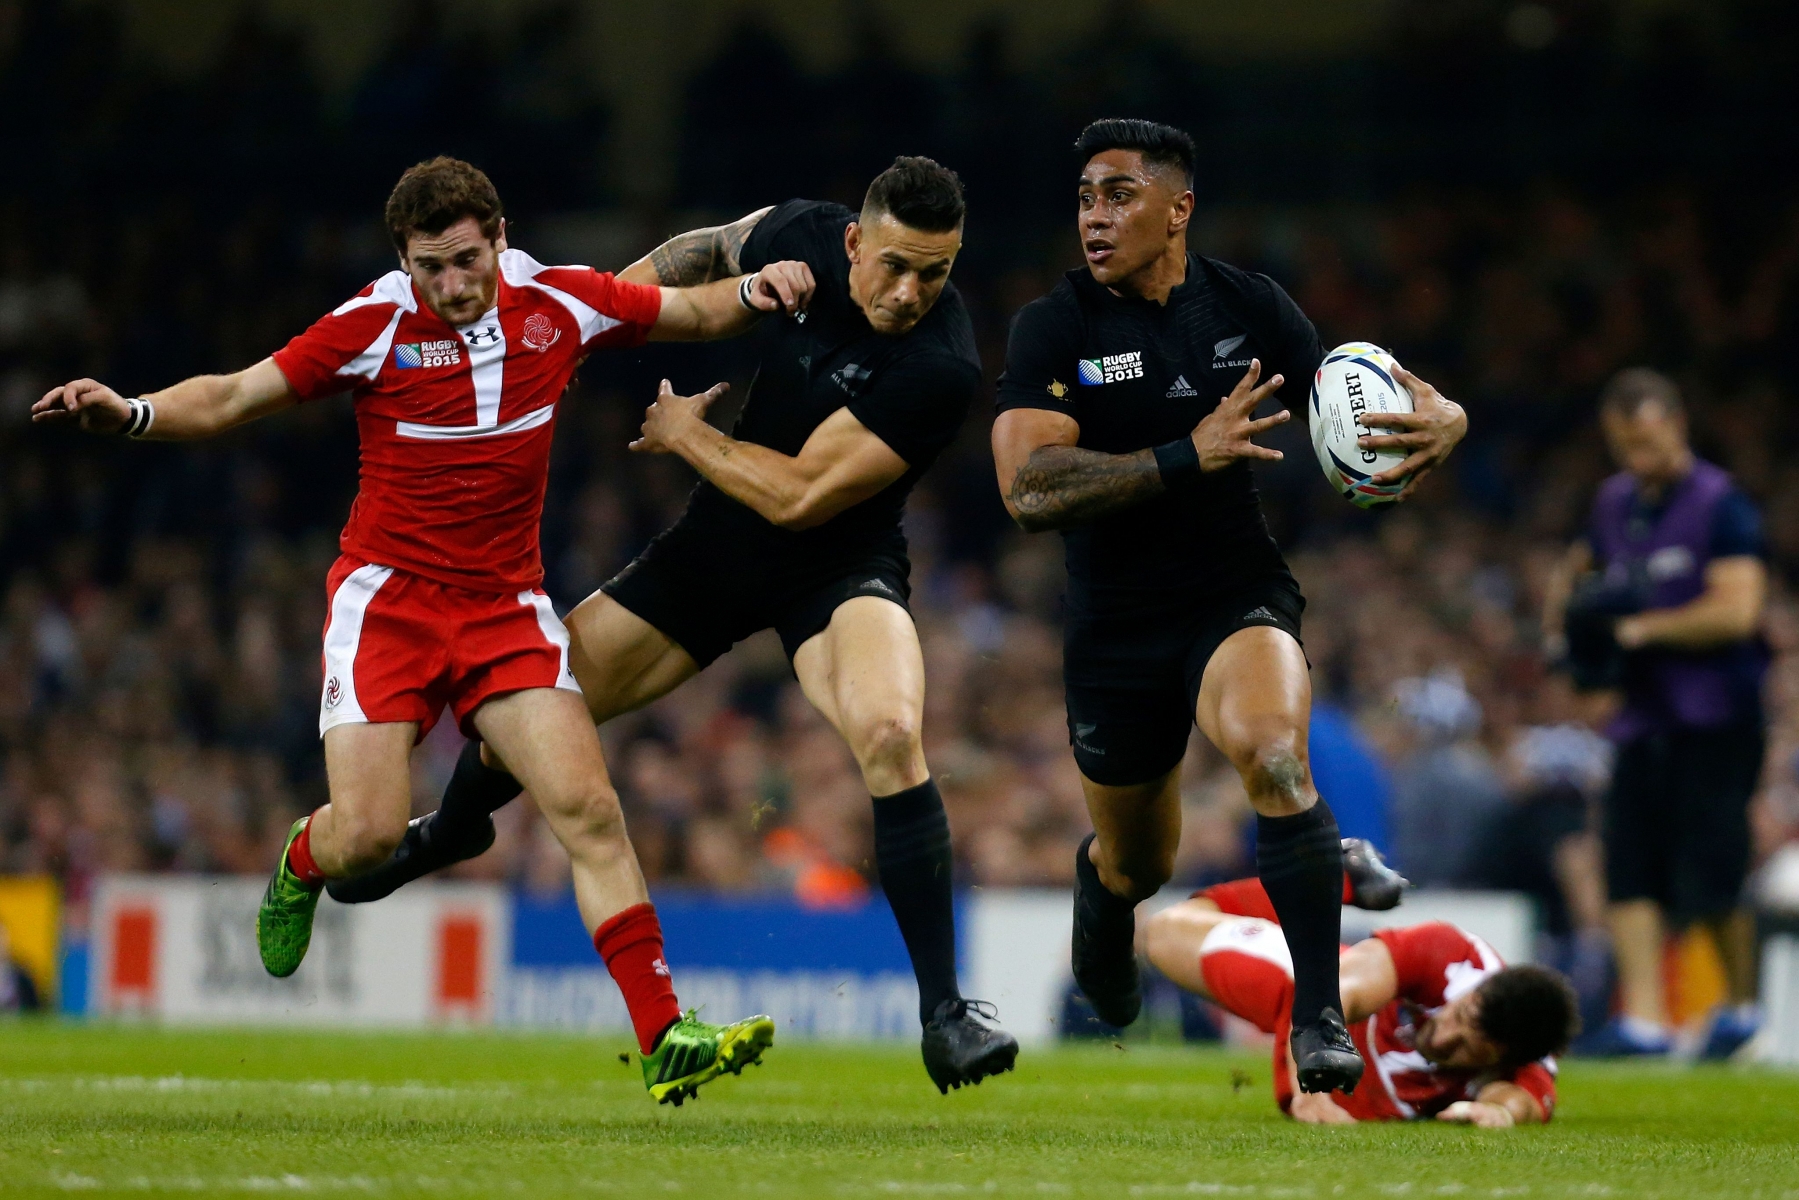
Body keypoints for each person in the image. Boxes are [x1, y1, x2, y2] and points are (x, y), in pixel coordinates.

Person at [31, 156, 817, 1105]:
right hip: (389, 606)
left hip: (503, 609)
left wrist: (760, 287)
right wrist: (134, 413)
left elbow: (695, 312)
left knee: (590, 808)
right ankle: (301, 858)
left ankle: (663, 1035)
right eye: (428, 266)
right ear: (403, 260)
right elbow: (235, 395)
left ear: (498, 238)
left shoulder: (558, 300)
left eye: (464, 260)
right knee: (364, 840)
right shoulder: (370, 324)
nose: (449, 285)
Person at [329, 156, 1021, 1094]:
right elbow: (698, 254)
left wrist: (686, 435)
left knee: (894, 734)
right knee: (533, 700)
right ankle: (448, 832)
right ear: (853, 239)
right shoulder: (800, 231)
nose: (909, 293)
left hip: (836, 567)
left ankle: (944, 1013)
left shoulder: (941, 364)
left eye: (933, 274)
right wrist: (572, 334)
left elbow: (802, 493)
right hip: (710, 556)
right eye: (894, 266)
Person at [990, 119, 1469, 1094]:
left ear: (1177, 209)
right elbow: (1026, 489)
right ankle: (1101, 897)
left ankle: (1317, 1021)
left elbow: (1350, 399)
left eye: (1118, 194)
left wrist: (1443, 419)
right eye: (1084, 196)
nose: (1094, 215)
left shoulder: (1247, 307)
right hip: (1114, 627)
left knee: (1275, 755)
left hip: (1230, 592)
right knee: (1137, 856)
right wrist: (1181, 454)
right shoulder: (1056, 327)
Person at [1544, 368, 1769, 1059]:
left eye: (1646, 440)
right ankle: (1644, 1020)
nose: (1637, 458)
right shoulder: (1614, 504)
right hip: (1642, 716)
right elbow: (1574, 573)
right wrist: (1563, 636)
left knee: (1712, 872)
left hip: (1715, 715)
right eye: (1624, 445)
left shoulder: (1719, 504)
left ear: (1674, 423)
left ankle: (1738, 1007)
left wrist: (1641, 631)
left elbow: (1738, 608)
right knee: (1629, 864)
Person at [1143, 875, 1578, 1126]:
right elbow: (1327, 991)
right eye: (1460, 1015)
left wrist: (1495, 1114)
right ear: (1473, 994)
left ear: (1503, 1057)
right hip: (1332, 1006)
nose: (1445, 1037)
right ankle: (1331, 879)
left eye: (1469, 1047)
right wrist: (1307, 1091)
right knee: (1164, 934)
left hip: (1359, 1059)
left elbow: (1518, 1101)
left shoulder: (1525, 1059)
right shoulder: (1447, 955)